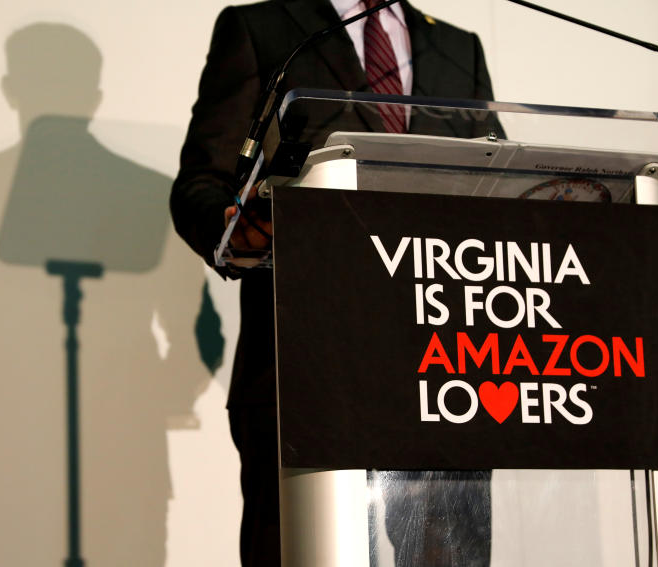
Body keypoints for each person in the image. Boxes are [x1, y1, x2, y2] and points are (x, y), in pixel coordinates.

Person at [170, 1, 502, 565]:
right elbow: (200, 185)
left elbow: (495, 176)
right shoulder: (263, 29)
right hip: (305, 361)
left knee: (448, 554)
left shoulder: (458, 47)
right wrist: (234, 225)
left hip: (442, 361)